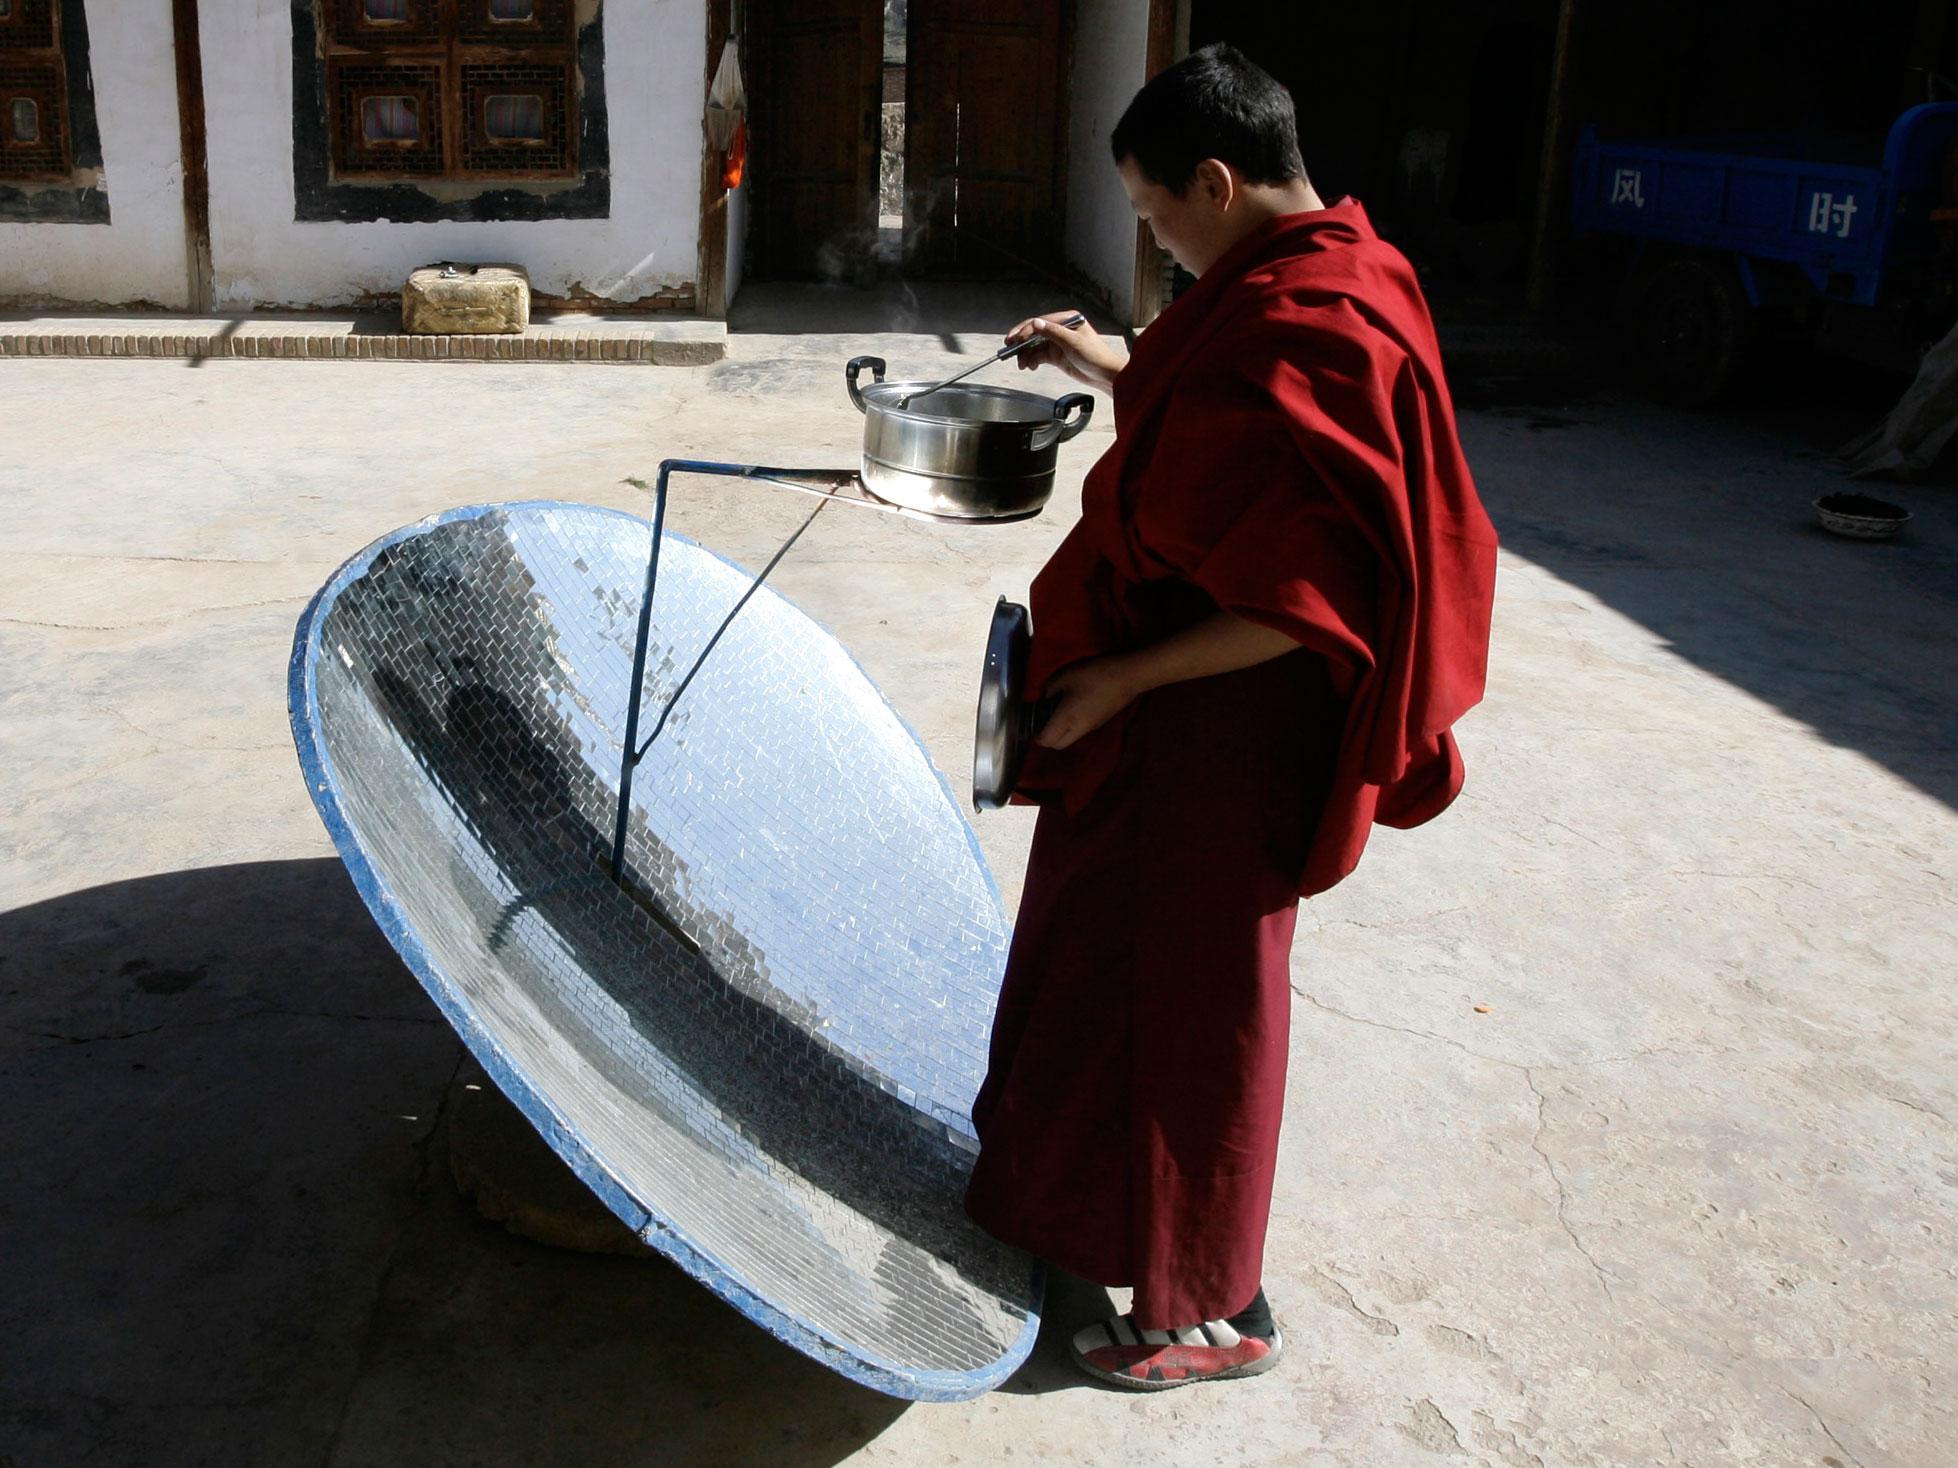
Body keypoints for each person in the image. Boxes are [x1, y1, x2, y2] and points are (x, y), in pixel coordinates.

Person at [961, 43, 1499, 1391]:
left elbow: (1317, 604)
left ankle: (1205, 1304)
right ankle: (1077, 1215)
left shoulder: (1322, 315)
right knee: (1098, 962)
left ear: (1215, 179)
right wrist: (1108, 359)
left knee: (1196, 1008)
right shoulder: (1291, 280)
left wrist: (1123, 681)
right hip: (1159, 724)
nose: (1153, 240)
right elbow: (1217, 411)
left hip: (1221, 732)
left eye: (1154, 215)